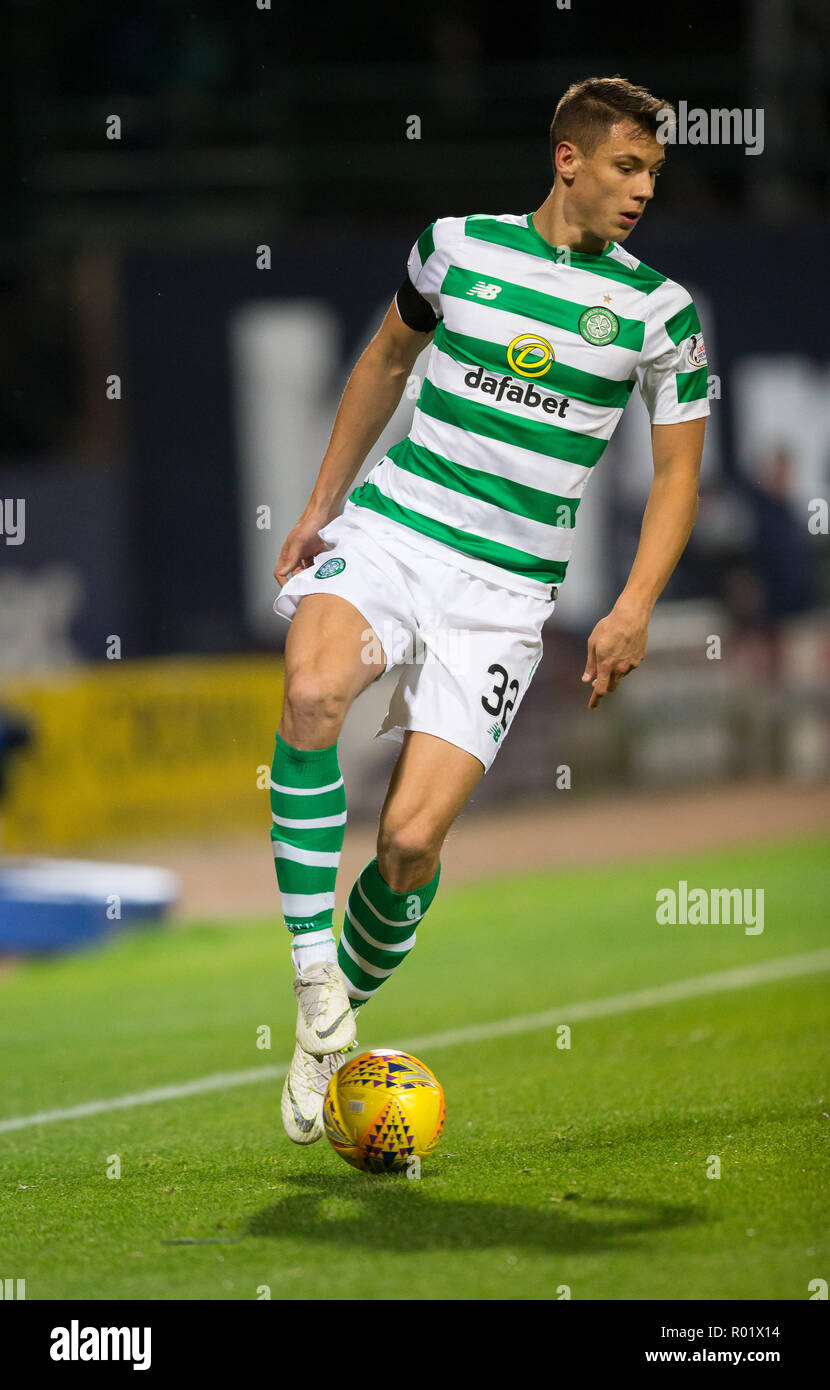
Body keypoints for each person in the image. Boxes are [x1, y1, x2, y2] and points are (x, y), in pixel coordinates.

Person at [270, 76, 709, 1143]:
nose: (642, 188)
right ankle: (310, 975)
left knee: (410, 842)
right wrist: (324, 501)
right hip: (395, 533)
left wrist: (634, 605)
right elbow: (384, 359)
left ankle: (335, 1022)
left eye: (652, 171)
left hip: (505, 593)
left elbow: (677, 476)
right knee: (312, 688)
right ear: (566, 160)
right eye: (625, 166)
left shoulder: (660, 313)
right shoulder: (452, 248)